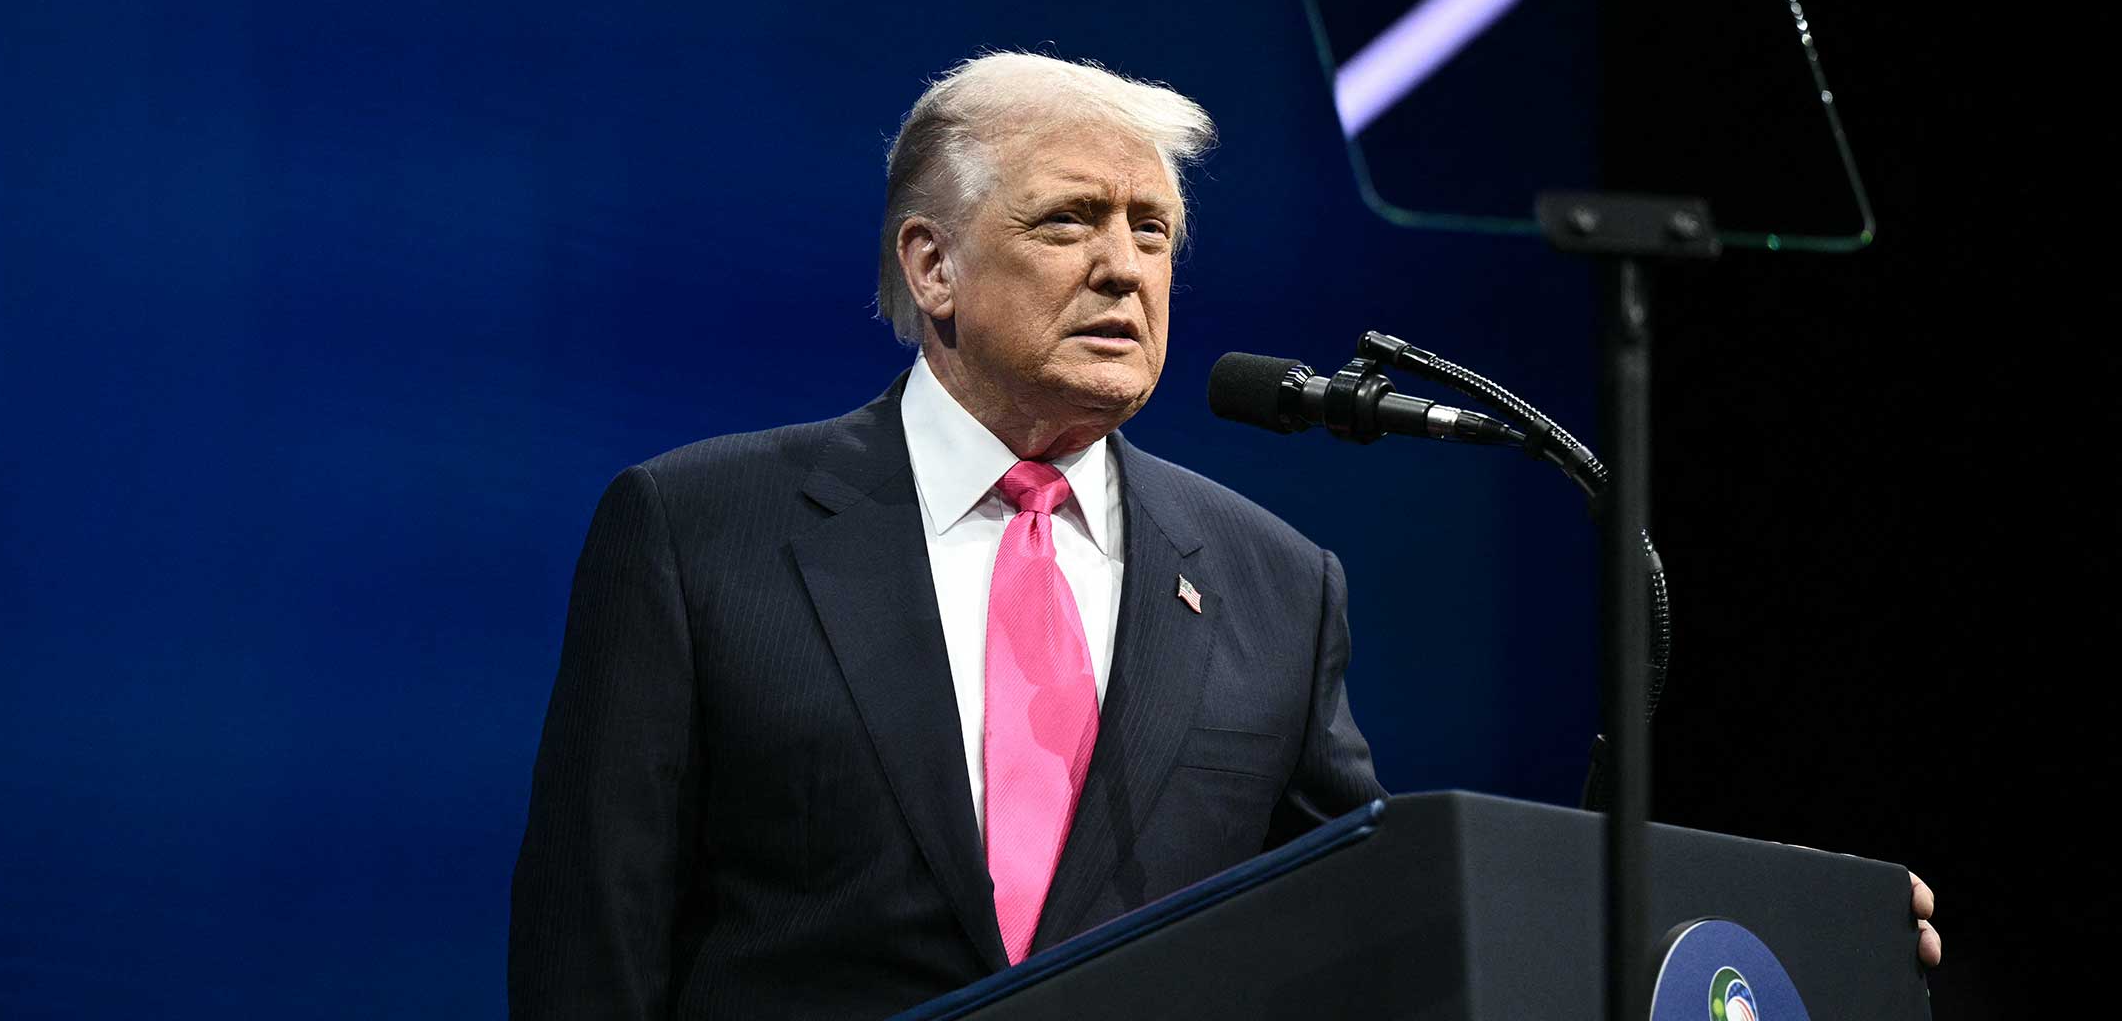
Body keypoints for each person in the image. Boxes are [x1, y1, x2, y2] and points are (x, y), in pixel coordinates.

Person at [508, 52, 1937, 1019]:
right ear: (931, 265)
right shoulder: (700, 532)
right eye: (1069, 220)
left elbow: (1382, 919)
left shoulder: (1270, 580)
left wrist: (1760, 923)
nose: (1122, 266)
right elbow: (591, 947)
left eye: (1153, 230)